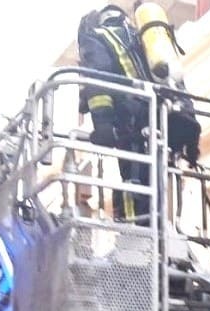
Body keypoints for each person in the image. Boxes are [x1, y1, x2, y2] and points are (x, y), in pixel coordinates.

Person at [77, 4, 155, 223]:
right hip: (158, 123)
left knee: (132, 184)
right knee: (155, 185)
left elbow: (98, 80)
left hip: (130, 123)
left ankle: (134, 237)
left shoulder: (96, 37)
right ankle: (152, 232)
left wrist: (102, 125)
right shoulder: (141, 39)